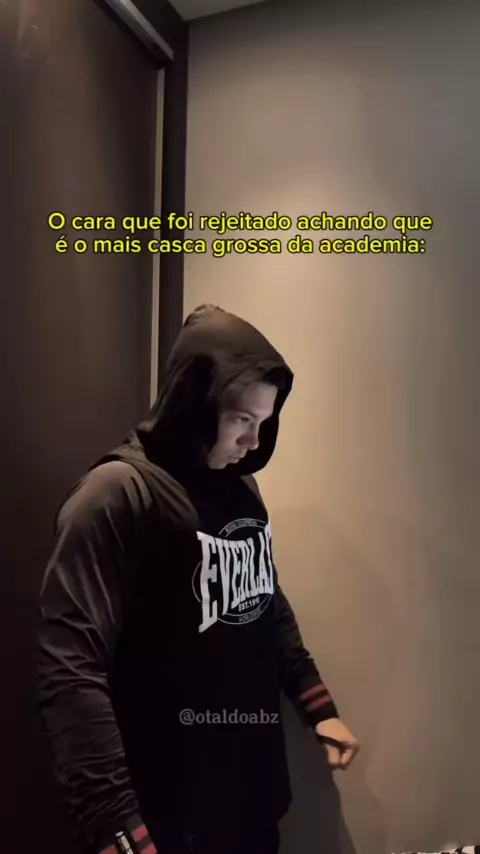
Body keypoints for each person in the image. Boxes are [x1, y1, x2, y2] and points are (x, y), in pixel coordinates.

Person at [37, 304, 360, 854]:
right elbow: (70, 668)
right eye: (241, 420)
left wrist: (317, 705)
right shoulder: (116, 495)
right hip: (166, 815)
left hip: (251, 802)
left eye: (264, 423)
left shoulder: (238, 487)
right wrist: (113, 825)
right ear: (194, 403)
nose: (253, 443)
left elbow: (261, 598)